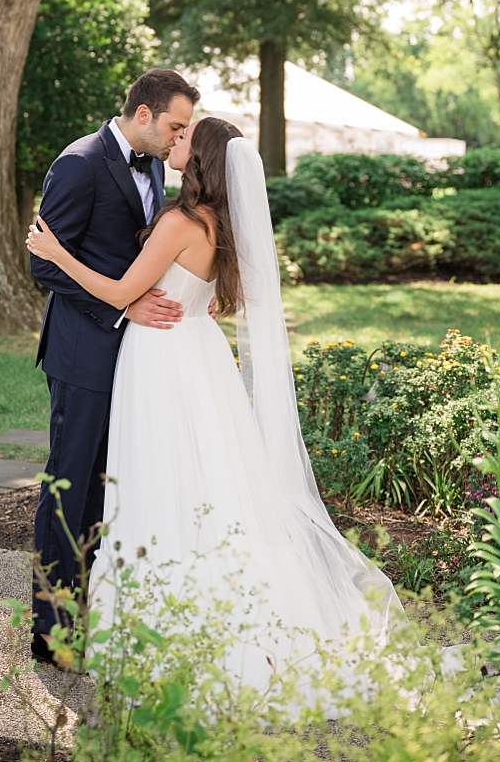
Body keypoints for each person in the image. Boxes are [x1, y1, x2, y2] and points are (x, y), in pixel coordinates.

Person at [26, 117, 400, 685]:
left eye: (183, 139)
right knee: (208, 481)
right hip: (200, 353)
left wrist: (57, 253)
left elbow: (122, 292)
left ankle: (166, 617)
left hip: (160, 358)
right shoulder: (222, 226)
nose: (172, 143)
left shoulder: (180, 223)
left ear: (198, 159)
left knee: (158, 477)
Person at [28, 69, 199, 661]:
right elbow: (46, 264)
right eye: (176, 125)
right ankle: (51, 629)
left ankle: (91, 605)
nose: (182, 138)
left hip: (133, 353)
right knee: (68, 485)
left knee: (107, 487)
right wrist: (125, 305)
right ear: (145, 115)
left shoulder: (152, 162)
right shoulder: (79, 162)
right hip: (82, 349)